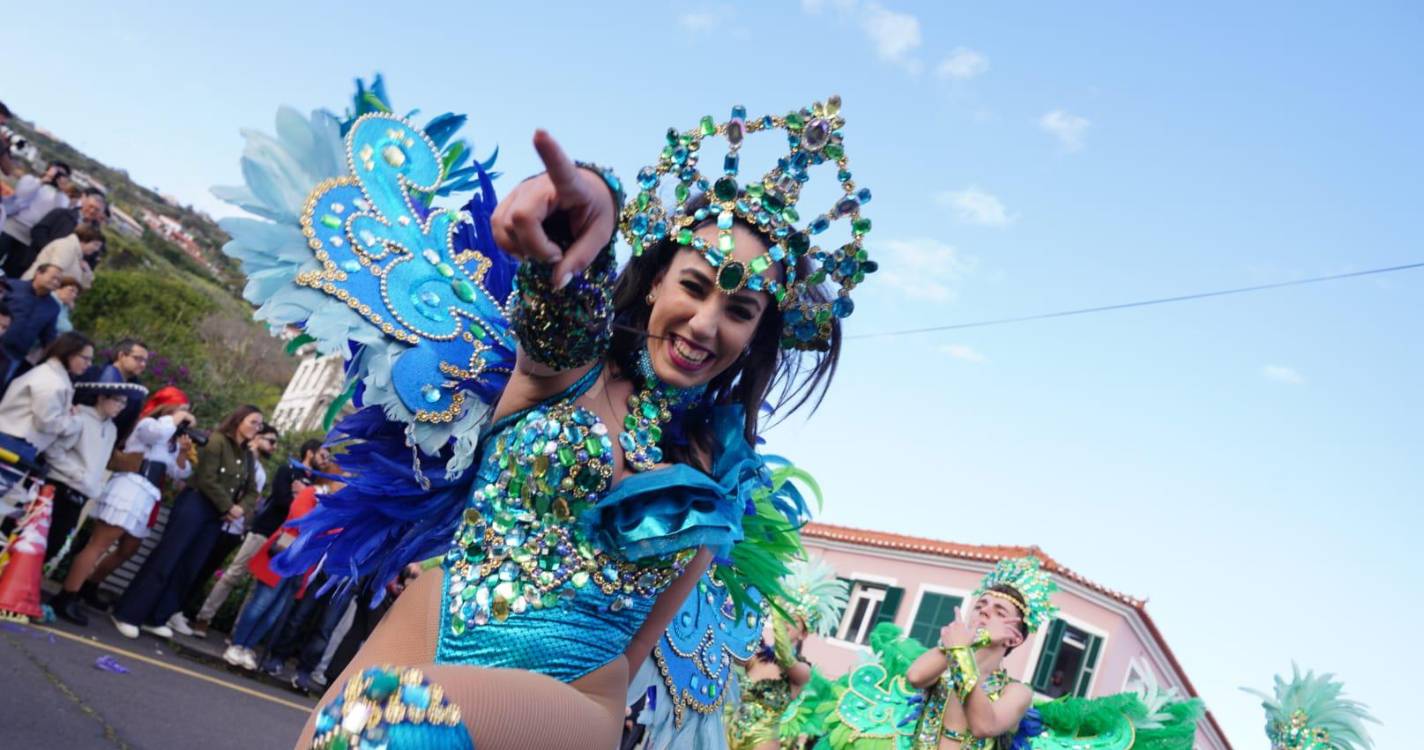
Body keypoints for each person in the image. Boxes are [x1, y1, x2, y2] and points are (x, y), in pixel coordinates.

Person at [110, 405, 262, 639]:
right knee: (167, 559)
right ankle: (127, 613)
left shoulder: (247, 456)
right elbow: (207, 478)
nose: (257, 428)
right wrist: (229, 506)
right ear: (239, 420)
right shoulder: (217, 441)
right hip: (195, 504)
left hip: (216, 515)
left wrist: (240, 508)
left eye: (259, 424)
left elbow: (252, 490)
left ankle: (156, 617)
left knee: (189, 567)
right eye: (253, 422)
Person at [71, 389, 194, 611]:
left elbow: (179, 473)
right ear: (168, 407)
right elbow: (155, 434)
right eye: (182, 409)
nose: (185, 415)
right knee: (99, 545)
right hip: (130, 487)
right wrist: (174, 419)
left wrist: (183, 453)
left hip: (148, 496)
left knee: (129, 549)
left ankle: (90, 585)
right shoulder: (149, 424)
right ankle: (68, 595)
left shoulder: (171, 439)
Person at [193, 436, 328, 637]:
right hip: (265, 530)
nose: (325, 461)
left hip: (285, 539)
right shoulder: (288, 470)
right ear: (310, 453)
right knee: (234, 573)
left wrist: (304, 495)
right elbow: (281, 498)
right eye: (323, 455)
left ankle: (237, 634)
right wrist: (303, 497)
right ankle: (204, 618)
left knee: (260, 587)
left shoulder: (316, 484)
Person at [724, 558, 847, 750]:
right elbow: (735, 646)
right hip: (727, 733)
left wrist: (776, 605)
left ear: (804, 633)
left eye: (794, 619)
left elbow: (784, 654)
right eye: (785, 615)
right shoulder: (757, 657)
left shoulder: (802, 671)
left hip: (761, 742)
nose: (787, 621)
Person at [223, 470, 334, 670]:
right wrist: (323, 523)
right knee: (261, 603)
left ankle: (248, 647)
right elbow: (300, 520)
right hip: (285, 553)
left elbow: (332, 534)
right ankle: (237, 644)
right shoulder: (311, 492)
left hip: (301, 562)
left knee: (275, 612)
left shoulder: (332, 505)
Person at [39, 368, 146, 575]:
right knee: (37, 539)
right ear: (101, 397)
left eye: (124, 403)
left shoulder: (112, 429)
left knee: (55, 545)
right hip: (60, 488)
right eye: (117, 400)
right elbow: (53, 451)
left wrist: (95, 486)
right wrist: (78, 474)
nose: (121, 406)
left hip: (81, 494)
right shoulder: (81, 418)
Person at [0, 331, 90, 476]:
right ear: (69, 353)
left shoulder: (50, 374)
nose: (89, 364)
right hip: (15, 443)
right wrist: (75, 422)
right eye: (85, 358)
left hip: (14, 440)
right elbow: (46, 422)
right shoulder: (52, 380)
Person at [0, 161, 72, 274]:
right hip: (9, 228)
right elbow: (21, 193)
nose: (57, 176)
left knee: (10, 271)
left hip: (29, 238)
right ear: (48, 169)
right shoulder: (30, 180)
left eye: (62, 175)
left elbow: (57, 213)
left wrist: (60, 191)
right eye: (56, 171)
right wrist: (42, 181)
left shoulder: (62, 197)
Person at [19, 187, 107, 277]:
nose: (92, 211)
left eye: (97, 209)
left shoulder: (97, 236)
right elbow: (38, 231)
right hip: (37, 263)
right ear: (84, 204)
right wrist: (53, 251)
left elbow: (92, 260)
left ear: (101, 213)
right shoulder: (61, 213)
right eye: (90, 206)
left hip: (62, 276)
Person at [0, 263, 63, 385]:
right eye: (53, 277)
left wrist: (56, 356)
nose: (56, 282)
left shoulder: (53, 307)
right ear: (38, 273)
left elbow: (48, 336)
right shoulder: (12, 286)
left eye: (59, 281)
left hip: (14, 356)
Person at [90, 339, 150, 444]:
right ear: (121, 355)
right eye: (138, 359)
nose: (143, 364)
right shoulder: (94, 374)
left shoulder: (136, 389)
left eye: (145, 361)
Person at [23, 223, 102, 290]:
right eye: (95, 244)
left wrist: (87, 271)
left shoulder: (77, 255)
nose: (96, 249)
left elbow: (84, 286)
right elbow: (53, 275)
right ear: (85, 239)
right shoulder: (66, 246)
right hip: (33, 291)